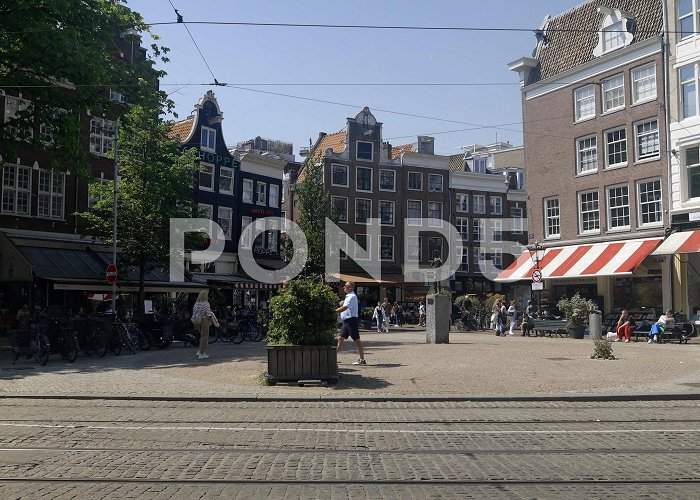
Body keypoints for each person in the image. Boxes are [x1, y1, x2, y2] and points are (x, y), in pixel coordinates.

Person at [336, 282, 366, 365]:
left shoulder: (352, 296)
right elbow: (345, 306)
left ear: (350, 287)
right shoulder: (349, 296)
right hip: (346, 321)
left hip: (351, 321)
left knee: (357, 340)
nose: (343, 287)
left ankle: (362, 359)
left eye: (345, 286)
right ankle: (333, 357)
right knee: (340, 339)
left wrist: (333, 311)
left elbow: (345, 307)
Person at [192, 290, 215, 359]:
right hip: (204, 320)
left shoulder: (196, 303)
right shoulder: (206, 303)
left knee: (202, 336)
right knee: (205, 336)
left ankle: (199, 351)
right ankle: (202, 353)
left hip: (197, 321)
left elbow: (194, 312)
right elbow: (208, 313)